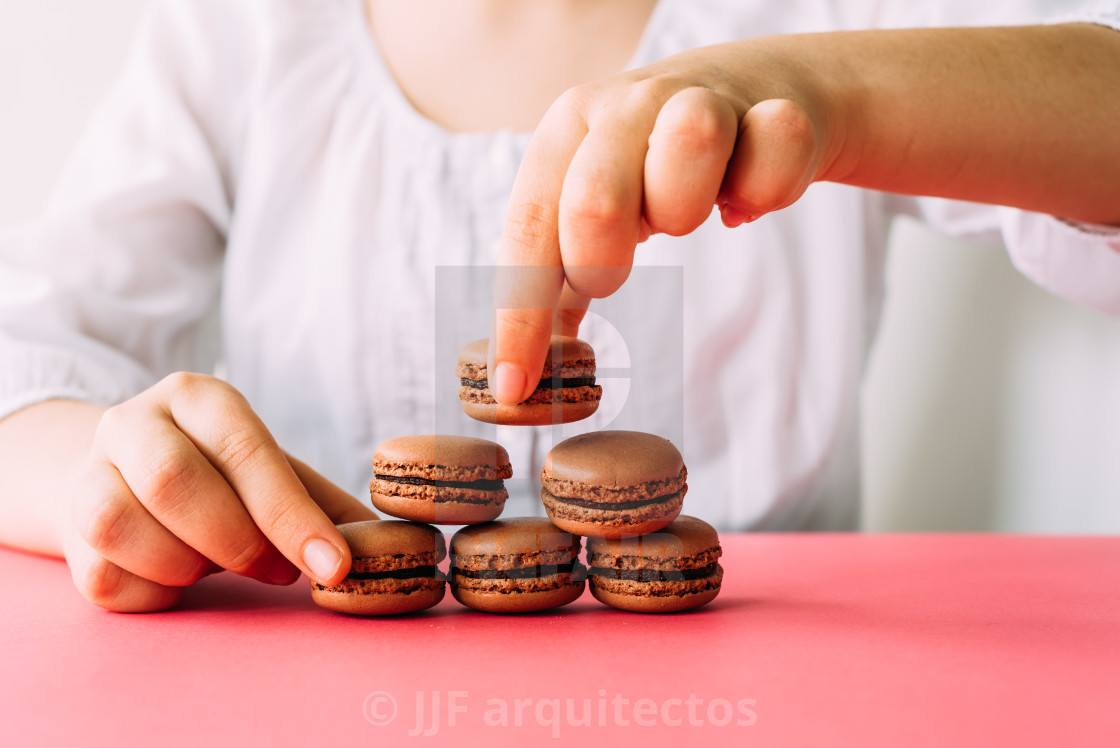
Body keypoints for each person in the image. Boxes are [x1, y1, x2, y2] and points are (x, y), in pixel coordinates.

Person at [1, 0, 1118, 612]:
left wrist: (834, 95)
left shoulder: (847, 11)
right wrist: (95, 474)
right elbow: (23, 350)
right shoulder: (240, 33)